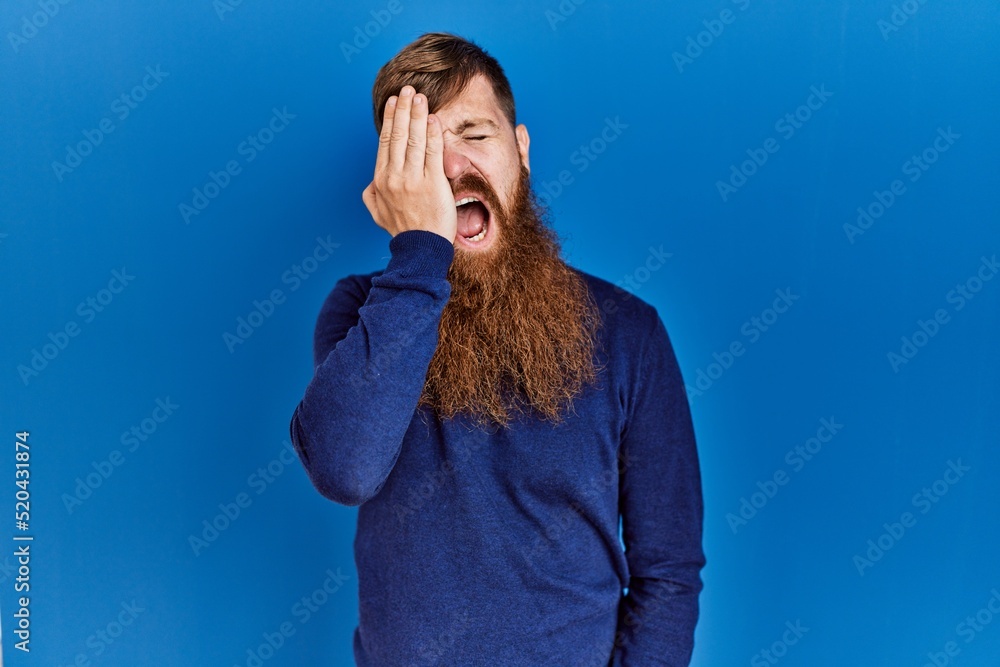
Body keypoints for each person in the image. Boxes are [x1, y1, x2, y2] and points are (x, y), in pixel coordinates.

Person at [288, 31, 705, 667]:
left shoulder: (630, 333)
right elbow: (345, 470)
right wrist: (421, 253)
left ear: (521, 151)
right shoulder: (359, 313)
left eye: (475, 134)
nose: (452, 166)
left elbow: (668, 573)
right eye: (421, 150)